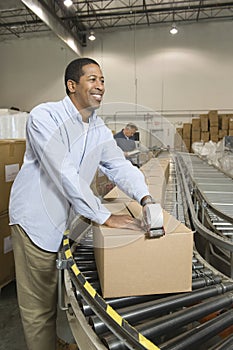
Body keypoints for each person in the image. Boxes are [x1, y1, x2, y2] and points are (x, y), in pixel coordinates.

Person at [9, 58, 156, 350]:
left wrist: (145, 198)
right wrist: (103, 216)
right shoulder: (44, 117)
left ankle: (53, 342)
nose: (100, 85)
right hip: (35, 222)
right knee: (39, 306)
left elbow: (119, 166)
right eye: (92, 79)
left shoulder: (97, 128)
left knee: (57, 292)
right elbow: (63, 171)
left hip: (64, 221)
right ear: (72, 85)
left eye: (102, 80)